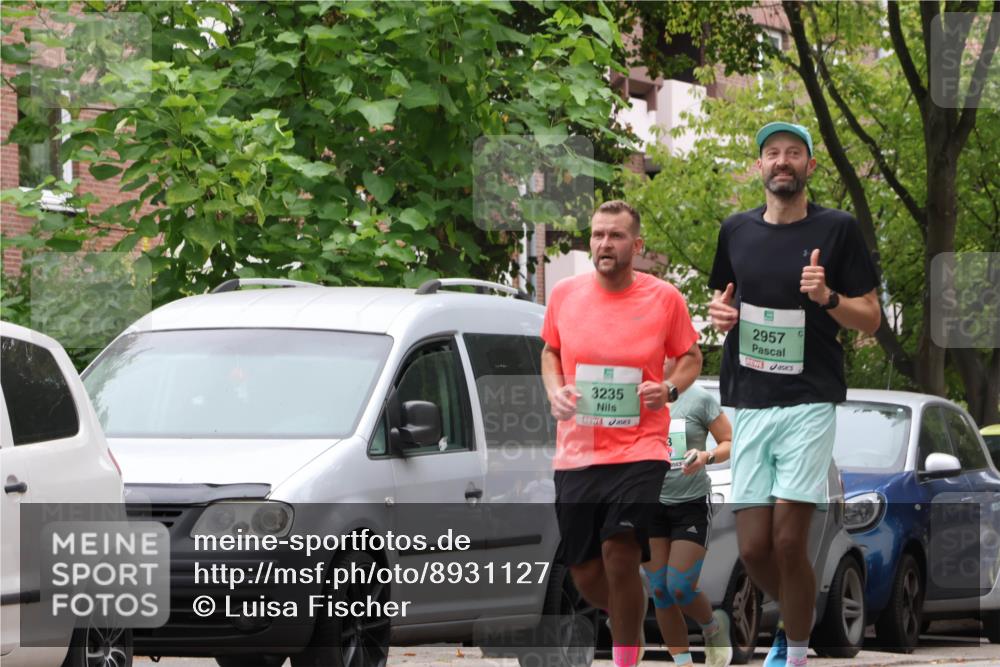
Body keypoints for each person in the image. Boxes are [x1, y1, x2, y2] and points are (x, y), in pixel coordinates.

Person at [707, 122, 881, 667]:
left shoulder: (838, 230)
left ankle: (797, 649)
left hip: (809, 401)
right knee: (754, 546)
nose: (783, 161)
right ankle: (797, 612)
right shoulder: (735, 231)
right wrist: (720, 316)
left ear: (810, 166)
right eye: (773, 154)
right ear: (759, 166)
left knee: (788, 541)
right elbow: (722, 304)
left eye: (794, 154)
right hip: (751, 401)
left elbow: (871, 319)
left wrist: (828, 297)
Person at [541, 200, 702, 667]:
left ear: (637, 244)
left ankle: (624, 659)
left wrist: (669, 388)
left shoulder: (664, 298)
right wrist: (555, 391)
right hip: (578, 451)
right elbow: (550, 351)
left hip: (641, 449)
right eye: (597, 235)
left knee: (620, 550)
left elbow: (691, 357)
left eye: (614, 236)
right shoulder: (565, 295)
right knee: (587, 574)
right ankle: (630, 608)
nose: (604, 244)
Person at [644, 381, 733, 667]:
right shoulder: (638, 395)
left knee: (680, 586)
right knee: (659, 590)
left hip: (690, 503)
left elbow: (728, 441)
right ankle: (683, 663)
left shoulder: (698, 399)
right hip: (649, 503)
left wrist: (707, 456)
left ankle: (712, 627)